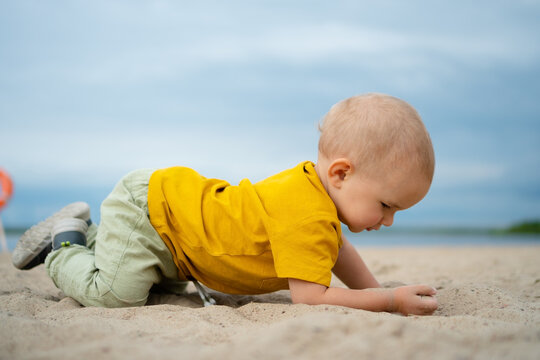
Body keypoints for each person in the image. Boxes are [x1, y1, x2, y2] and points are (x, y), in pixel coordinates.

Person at [12, 93, 438, 315]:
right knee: (113, 296)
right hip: (153, 213)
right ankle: (66, 242)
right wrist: (389, 301)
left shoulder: (317, 200)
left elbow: (337, 250)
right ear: (341, 174)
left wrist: (373, 291)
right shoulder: (305, 211)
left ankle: (99, 237)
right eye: (386, 205)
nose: (388, 220)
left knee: (160, 290)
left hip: (174, 232)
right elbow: (312, 299)